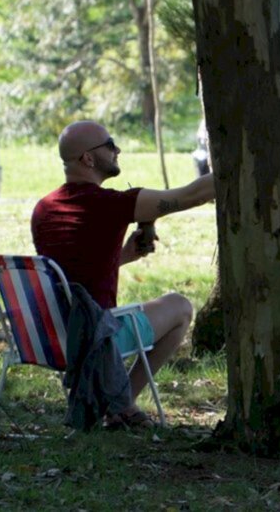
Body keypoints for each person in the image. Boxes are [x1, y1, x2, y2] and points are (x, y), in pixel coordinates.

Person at [31, 120, 216, 428]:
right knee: (181, 307)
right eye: (109, 144)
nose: (117, 149)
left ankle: (117, 405)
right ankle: (122, 404)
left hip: (51, 338)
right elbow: (191, 195)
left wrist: (126, 255)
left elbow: (70, 274)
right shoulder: (109, 205)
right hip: (95, 340)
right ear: (88, 159)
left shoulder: (44, 209)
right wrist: (239, 163)